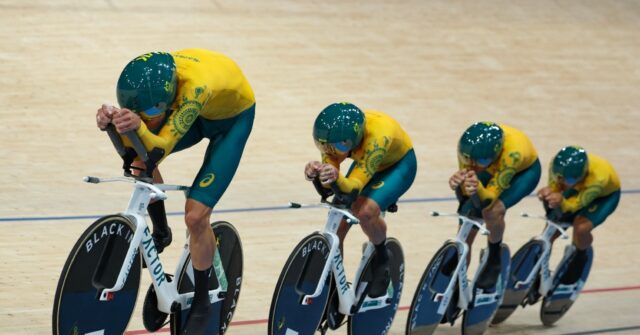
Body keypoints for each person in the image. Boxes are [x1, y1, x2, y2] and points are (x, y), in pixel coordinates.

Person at [95, 49, 255, 334]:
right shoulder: (154, 84)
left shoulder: (195, 88)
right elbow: (139, 150)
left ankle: (203, 299)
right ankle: (161, 233)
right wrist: (113, 125)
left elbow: (159, 147)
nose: (146, 119)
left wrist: (135, 128)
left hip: (232, 120)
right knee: (137, 162)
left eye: (151, 114)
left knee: (195, 217)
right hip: (201, 111)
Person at [304, 102, 417, 298]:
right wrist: (317, 173)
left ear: (352, 140)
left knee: (364, 212)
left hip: (397, 167)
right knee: (339, 220)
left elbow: (352, 187)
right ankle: (333, 283)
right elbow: (331, 188)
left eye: (336, 147)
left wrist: (335, 177)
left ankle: (382, 259)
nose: (330, 151)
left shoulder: (378, 137)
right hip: (366, 162)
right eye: (323, 146)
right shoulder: (334, 139)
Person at [449, 122, 541, 289]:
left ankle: (494, 256)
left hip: (523, 174)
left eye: (480, 161)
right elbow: (466, 192)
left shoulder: (513, 154)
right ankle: (460, 264)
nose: (472, 165)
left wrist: (477, 188)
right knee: (468, 214)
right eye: (467, 159)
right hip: (491, 167)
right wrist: (459, 182)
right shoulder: (469, 150)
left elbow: (489, 199)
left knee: (493, 211)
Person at [537, 146, 620, 284]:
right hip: (577, 188)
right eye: (560, 178)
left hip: (603, 197)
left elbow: (573, 206)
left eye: (568, 180)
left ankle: (580, 257)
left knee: (580, 227)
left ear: (583, 173)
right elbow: (555, 187)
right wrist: (548, 193)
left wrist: (561, 200)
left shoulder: (599, 178)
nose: (563, 182)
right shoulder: (556, 165)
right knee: (550, 230)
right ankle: (538, 270)